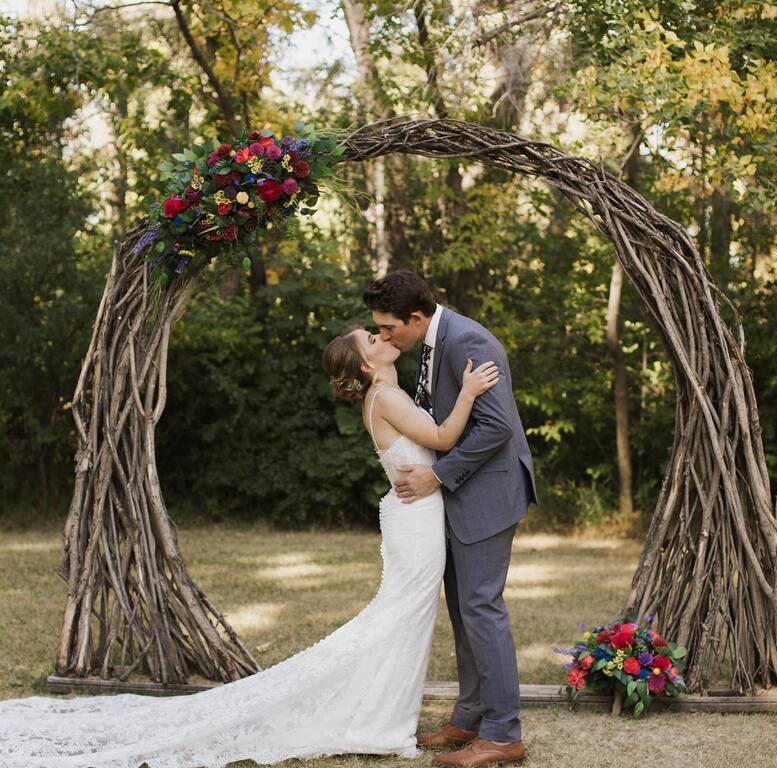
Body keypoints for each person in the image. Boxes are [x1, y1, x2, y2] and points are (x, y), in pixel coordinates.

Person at [0, 326, 499, 768]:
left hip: (413, 515)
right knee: (399, 618)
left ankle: (385, 715)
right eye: (371, 339)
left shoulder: (387, 393)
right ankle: (378, 721)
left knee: (402, 619)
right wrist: (471, 392)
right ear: (367, 365)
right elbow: (443, 435)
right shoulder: (386, 398)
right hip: (415, 521)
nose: (380, 336)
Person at [363, 270, 536, 768]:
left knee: (481, 607)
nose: (386, 336)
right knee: (463, 608)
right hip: (463, 497)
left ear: (415, 318)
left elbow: (496, 427)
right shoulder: (433, 341)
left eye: (389, 328)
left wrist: (438, 476)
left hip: (487, 493)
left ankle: (503, 735)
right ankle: (472, 715)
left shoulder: (468, 340)